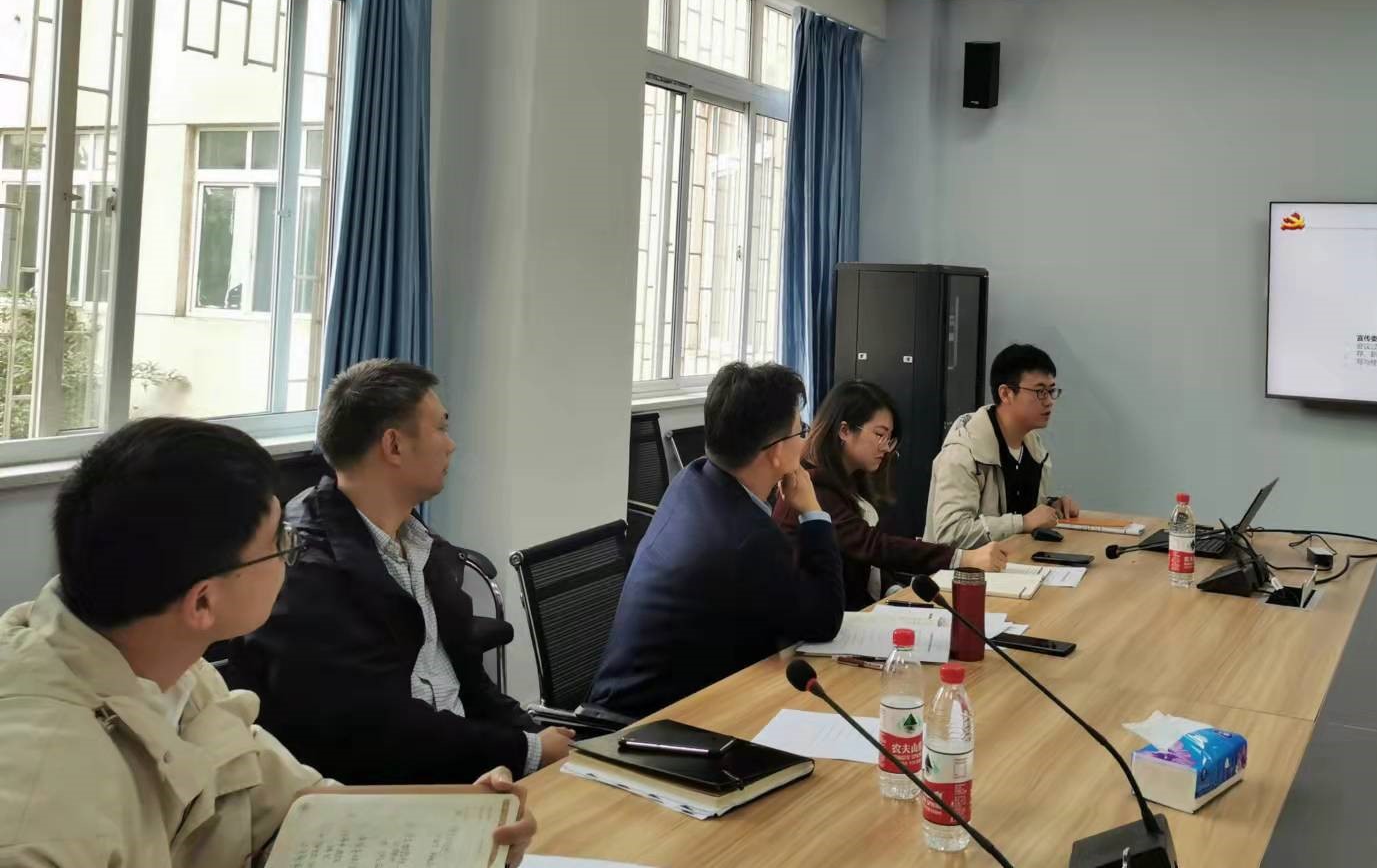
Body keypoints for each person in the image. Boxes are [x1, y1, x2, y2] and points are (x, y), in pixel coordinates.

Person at [0, 418, 534, 867]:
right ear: (203, 602)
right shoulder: (41, 800)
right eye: (279, 542)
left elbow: (299, 816)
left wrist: (462, 827)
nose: (291, 552)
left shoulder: (176, 672)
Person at [227, 360, 571, 784]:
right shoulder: (307, 571)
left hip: (472, 771)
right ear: (393, 445)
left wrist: (533, 738)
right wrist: (527, 751)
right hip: (389, 794)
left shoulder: (418, 541)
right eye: (441, 428)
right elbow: (381, 733)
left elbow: (469, 680)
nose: (451, 445)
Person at [585, 362, 844, 720]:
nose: (804, 440)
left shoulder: (691, 480)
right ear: (775, 452)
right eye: (800, 430)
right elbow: (824, 620)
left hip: (626, 705)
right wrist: (812, 512)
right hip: (651, 728)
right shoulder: (748, 537)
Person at [775, 379, 1009, 606]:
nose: (886, 448)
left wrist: (893, 590)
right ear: (844, 430)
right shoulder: (810, 485)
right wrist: (962, 558)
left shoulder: (850, 480)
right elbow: (870, 545)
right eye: (879, 435)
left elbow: (866, 561)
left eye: (890, 438)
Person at [924, 344, 1083, 549]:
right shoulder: (964, 452)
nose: (1049, 401)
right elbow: (950, 533)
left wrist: (1052, 505)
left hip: (1017, 561)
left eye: (1052, 391)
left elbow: (1018, 506)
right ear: (1006, 394)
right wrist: (1022, 523)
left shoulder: (1033, 447)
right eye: (1040, 391)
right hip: (965, 568)